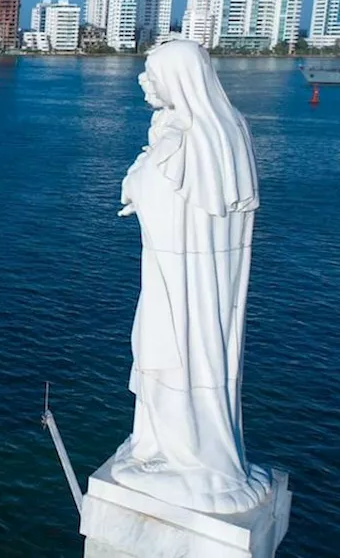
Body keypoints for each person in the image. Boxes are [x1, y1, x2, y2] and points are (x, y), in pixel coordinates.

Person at [112, 39, 271, 515]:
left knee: (168, 356)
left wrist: (140, 182)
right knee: (178, 359)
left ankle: (189, 460)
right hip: (197, 278)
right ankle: (162, 446)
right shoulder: (224, 131)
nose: (143, 82)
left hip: (179, 281)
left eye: (151, 74)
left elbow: (164, 196)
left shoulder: (187, 139)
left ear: (180, 80)